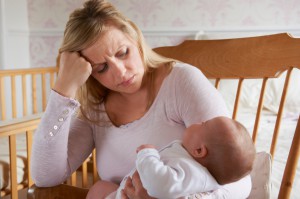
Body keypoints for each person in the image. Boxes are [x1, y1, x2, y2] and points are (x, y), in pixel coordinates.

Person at [30, 0, 253, 198]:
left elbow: (239, 182)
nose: (120, 73)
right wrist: (63, 89)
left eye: (122, 53)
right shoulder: (95, 109)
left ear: (135, 38)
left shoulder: (181, 82)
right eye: (102, 68)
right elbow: (45, 176)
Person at [109, 116, 256, 199]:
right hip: (124, 192)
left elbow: (159, 184)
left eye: (203, 124)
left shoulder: (191, 172)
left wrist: (147, 154)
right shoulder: (192, 165)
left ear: (199, 150)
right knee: (99, 188)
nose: (199, 121)